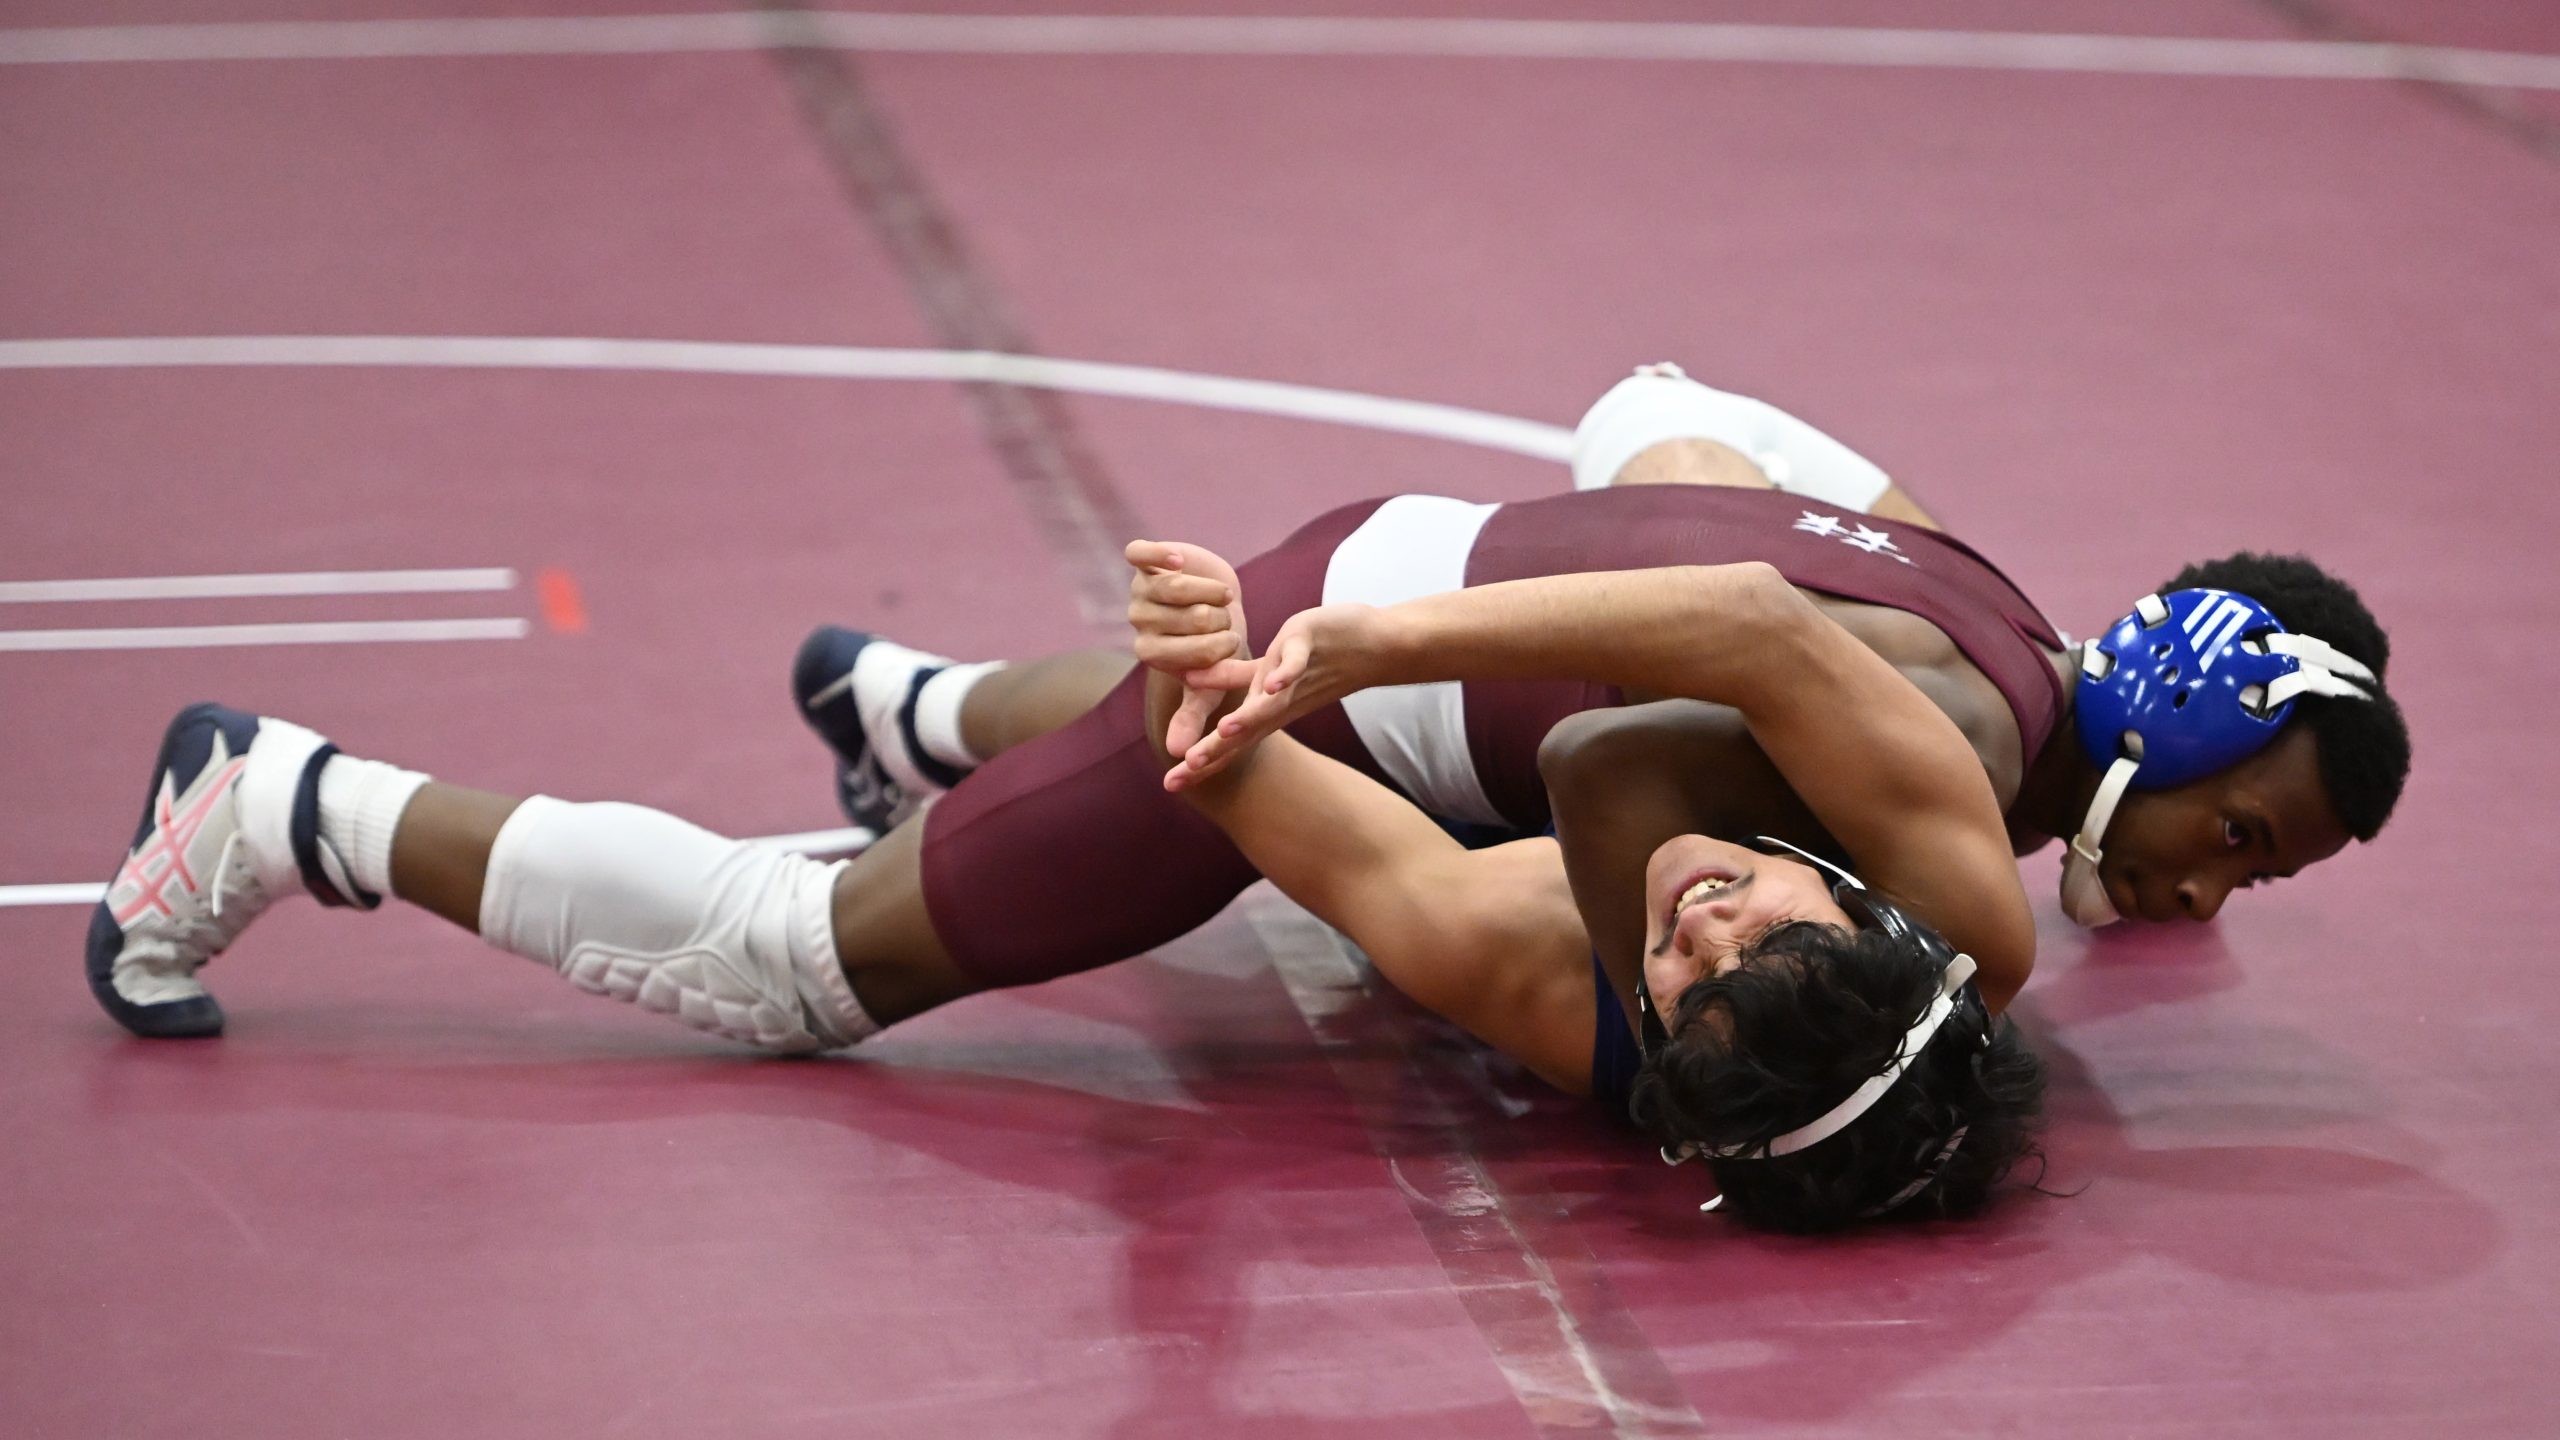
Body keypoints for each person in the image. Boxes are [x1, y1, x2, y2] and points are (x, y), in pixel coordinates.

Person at [785, 368, 2409, 1029]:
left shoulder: (1981, 601)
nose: (2208, 888)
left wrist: (1669, 498)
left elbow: (1664, 406)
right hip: (1377, 682)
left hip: (1403, 562)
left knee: (1195, 696)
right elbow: (1607, 760)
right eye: (2242, 842)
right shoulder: (1964, 744)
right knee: (810, 965)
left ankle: (913, 703)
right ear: (2184, 729)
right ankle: (856, 791)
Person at [1122, 537, 2046, 1227]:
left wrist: (1190, 663)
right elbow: (1757, 615)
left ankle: (966, 702)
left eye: (1695, 996)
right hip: (1651, 673)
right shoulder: (1965, 916)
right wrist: (1386, 640)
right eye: (1773, 938)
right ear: (1867, 916)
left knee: (1043, 858)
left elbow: (1222, 771)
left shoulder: (1545, 979)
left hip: (1459, 775)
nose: (1704, 926)